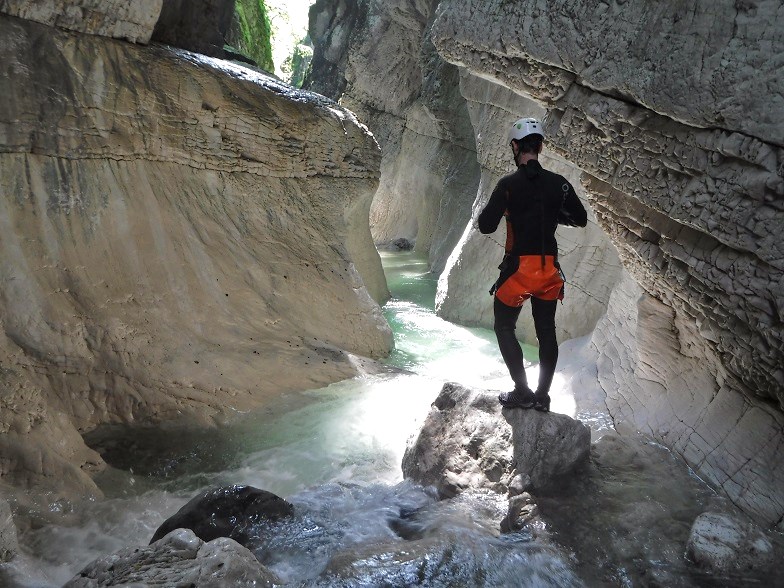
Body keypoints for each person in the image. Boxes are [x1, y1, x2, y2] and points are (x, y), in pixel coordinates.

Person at [478, 118, 587, 412]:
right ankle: (542, 396)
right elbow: (580, 219)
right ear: (539, 147)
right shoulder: (560, 185)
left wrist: (508, 209)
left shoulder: (508, 186)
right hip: (548, 270)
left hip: (518, 271)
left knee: (503, 326)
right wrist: (552, 215)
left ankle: (522, 391)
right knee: (546, 331)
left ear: (515, 146)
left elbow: (486, 226)